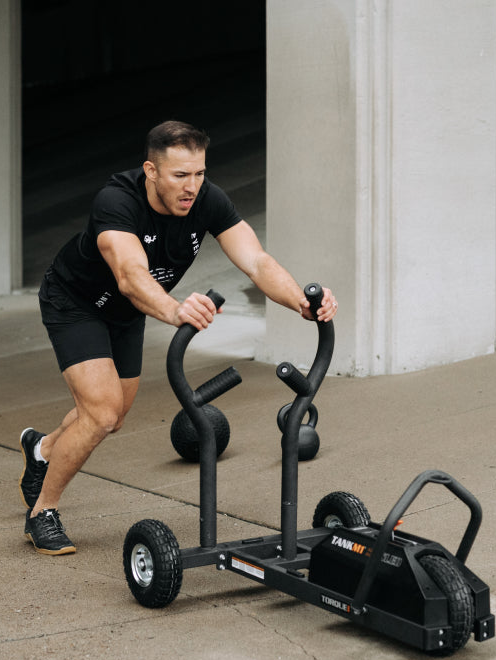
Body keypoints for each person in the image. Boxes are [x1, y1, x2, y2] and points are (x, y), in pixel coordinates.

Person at [20, 120, 338, 555]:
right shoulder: (116, 201)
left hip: (127, 313)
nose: (192, 187)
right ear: (151, 171)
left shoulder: (207, 200)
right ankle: (43, 513)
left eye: (199, 174)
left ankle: (41, 450)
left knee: (112, 415)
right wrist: (174, 309)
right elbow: (131, 276)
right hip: (75, 303)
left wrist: (299, 300)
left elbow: (257, 262)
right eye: (179, 176)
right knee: (103, 412)